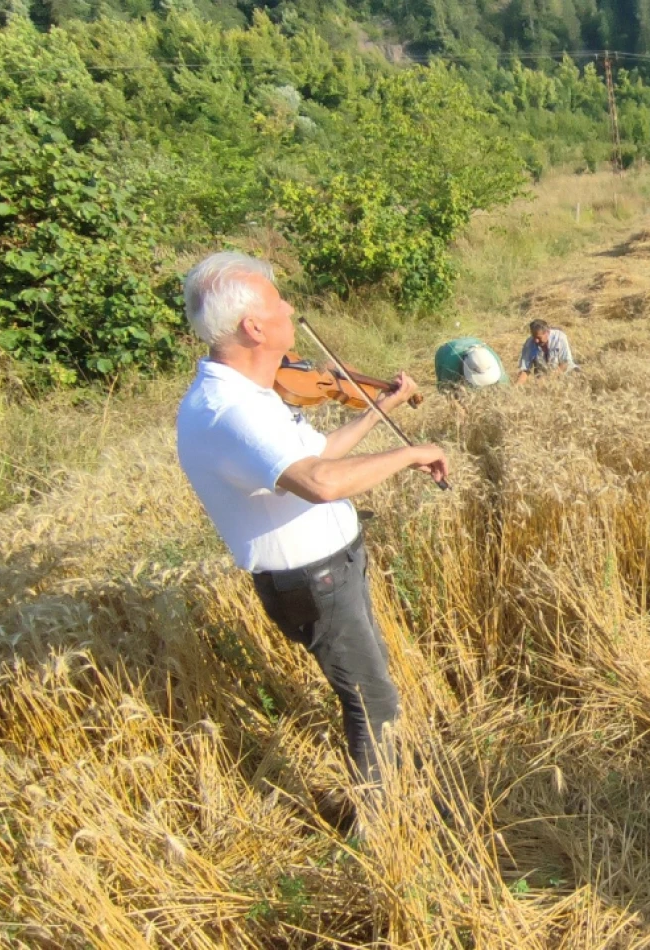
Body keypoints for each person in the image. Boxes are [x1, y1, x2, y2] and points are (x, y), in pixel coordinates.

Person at [175, 252, 449, 786]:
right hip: (314, 580)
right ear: (254, 327)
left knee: (373, 684)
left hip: (334, 567)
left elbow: (317, 456)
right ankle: (386, 819)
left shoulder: (250, 395)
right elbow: (320, 483)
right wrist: (412, 454)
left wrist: (381, 410)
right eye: (279, 302)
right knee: (371, 701)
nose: (290, 307)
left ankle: (395, 786)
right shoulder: (233, 411)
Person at [434, 337, 507, 390]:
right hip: (446, 351)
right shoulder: (450, 366)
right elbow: (447, 390)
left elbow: (504, 387)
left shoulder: (493, 360)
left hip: (474, 341)